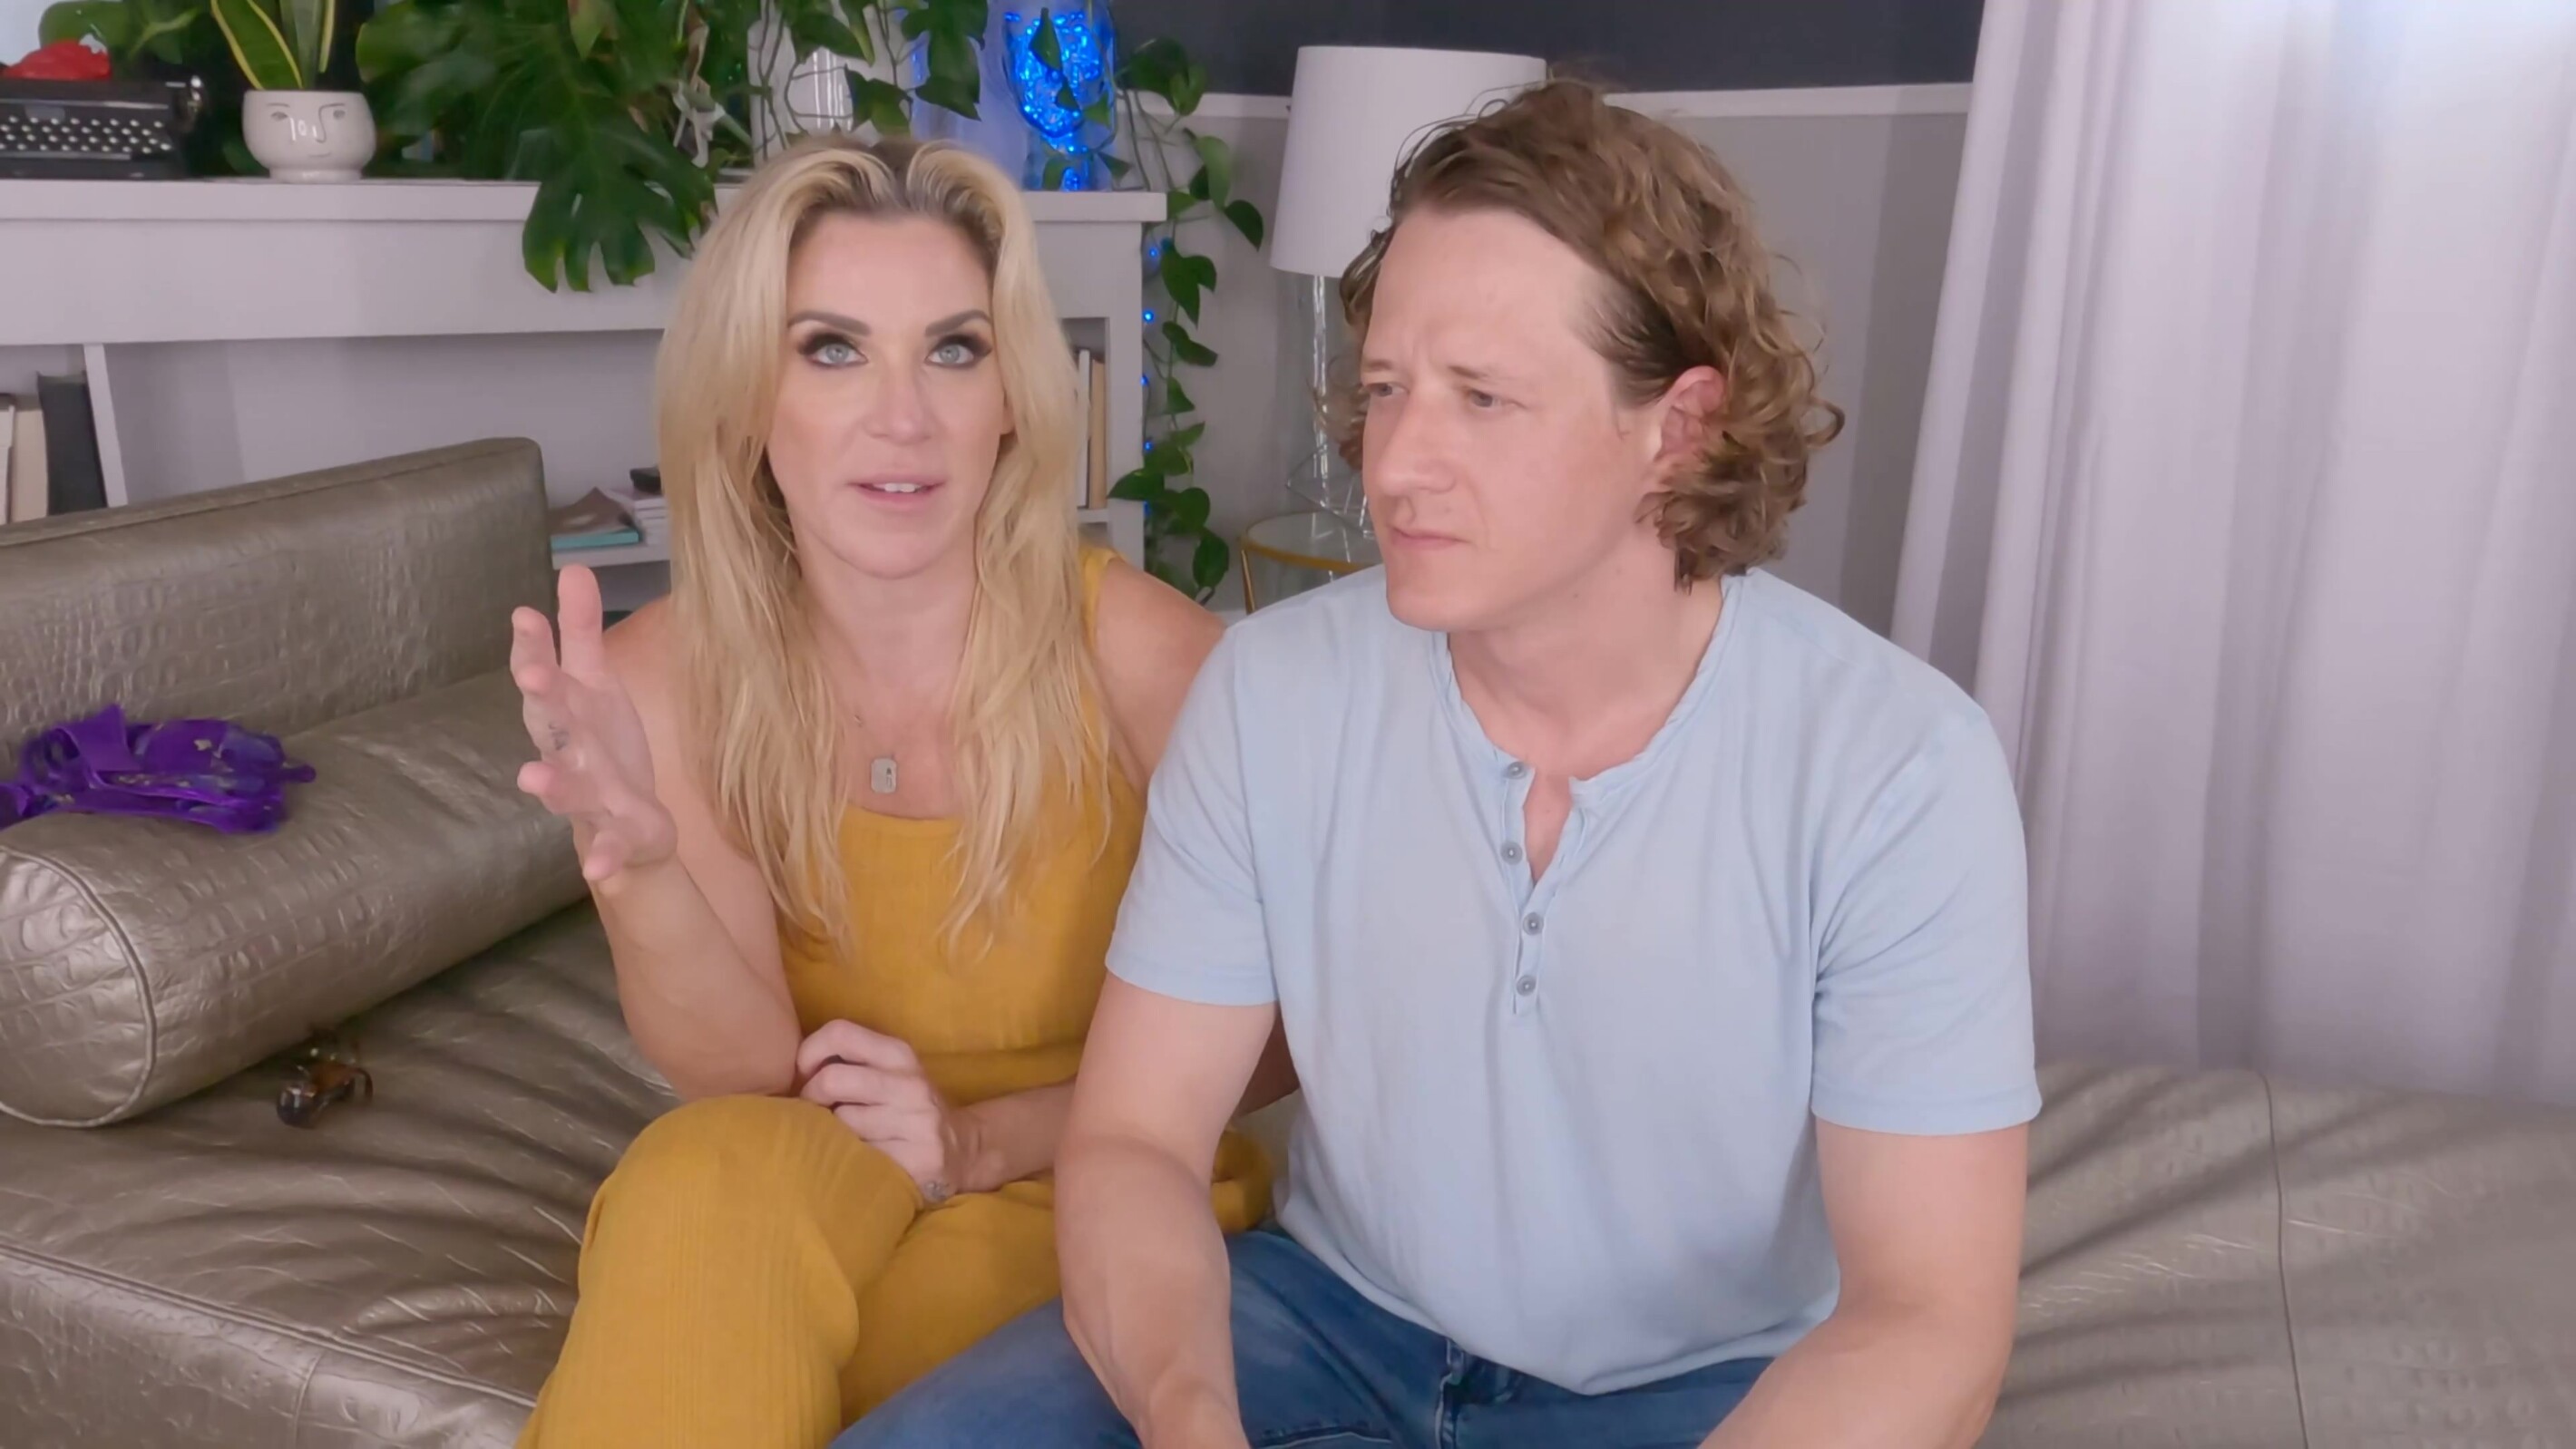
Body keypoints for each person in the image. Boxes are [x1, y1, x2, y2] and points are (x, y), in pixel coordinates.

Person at [843, 80, 2039, 1449]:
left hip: (1711, 1389)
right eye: (1388, 389)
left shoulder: (1898, 768)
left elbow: (1930, 1321)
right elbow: (1135, 1141)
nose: (1398, 463)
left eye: (1482, 397)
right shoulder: (1270, 693)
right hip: (1321, 1322)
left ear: (1680, 427)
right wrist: (1187, 1415)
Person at [504, 134, 1282, 1448]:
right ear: (747, 397)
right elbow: (743, 1072)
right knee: (694, 1175)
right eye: (832, 349)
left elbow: (1299, 1031)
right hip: (815, 1158)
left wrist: (977, 1142)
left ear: (1014, 397)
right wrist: (640, 869)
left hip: (1097, 1170)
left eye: (954, 350)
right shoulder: (660, 677)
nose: (903, 417)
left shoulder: (1150, 659)